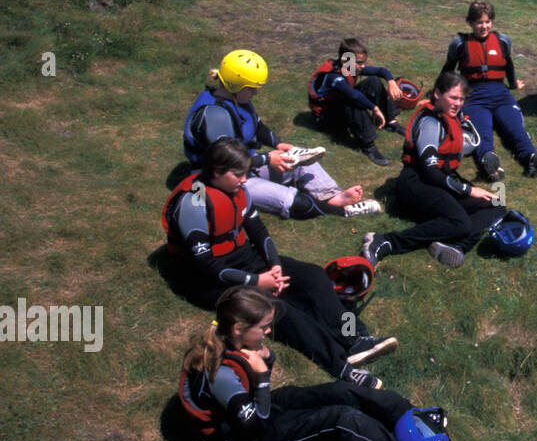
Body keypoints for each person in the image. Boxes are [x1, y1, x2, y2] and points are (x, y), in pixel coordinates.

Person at [180, 286, 455, 441]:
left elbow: (253, 398)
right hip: (240, 440)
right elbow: (256, 426)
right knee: (340, 419)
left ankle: (410, 418)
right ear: (239, 328)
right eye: (263, 327)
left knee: (343, 391)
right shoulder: (221, 374)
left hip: (252, 412)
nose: (267, 332)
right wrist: (262, 376)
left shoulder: (233, 339)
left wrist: (266, 361)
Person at [163, 138, 395, 387]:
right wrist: (257, 282)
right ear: (217, 172)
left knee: (314, 276)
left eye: (245, 174)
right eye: (238, 175)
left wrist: (274, 266)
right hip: (208, 279)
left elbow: (259, 232)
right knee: (279, 309)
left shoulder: (237, 189)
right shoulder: (195, 200)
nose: (244, 180)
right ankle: (341, 365)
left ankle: (353, 337)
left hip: (243, 258)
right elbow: (206, 265)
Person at [183, 49, 380, 220]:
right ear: (237, 87)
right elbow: (227, 161)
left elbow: (257, 125)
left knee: (303, 161)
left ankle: (335, 197)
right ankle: (339, 211)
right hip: (220, 180)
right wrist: (267, 159)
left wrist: (277, 145)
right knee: (290, 200)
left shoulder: (236, 99)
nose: (256, 93)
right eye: (252, 89)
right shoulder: (214, 115)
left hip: (246, 165)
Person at [361, 71, 507, 269]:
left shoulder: (453, 117)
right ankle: (385, 241)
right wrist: (468, 190)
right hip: (416, 183)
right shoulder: (430, 122)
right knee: (460, 222)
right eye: (453, 97)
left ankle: (453, 246)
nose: (457, 103)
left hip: (440, 180)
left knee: (496, 204)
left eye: (462, 99)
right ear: (437, 94)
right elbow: (430, 171)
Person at [439, 1, 537, 181]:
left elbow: (509, 65)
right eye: (479, 22)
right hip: (474, 95)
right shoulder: (459, 44)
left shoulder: (502, 41)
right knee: (482, 132)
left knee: (515, 130)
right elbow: (448, 70)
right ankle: (489, 162)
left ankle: (531, 158)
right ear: (470, 23)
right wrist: (439, 94)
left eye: (488, 22)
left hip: (501, 93)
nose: (484, 26)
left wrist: (513, 84)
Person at [307, 37, 404, 166]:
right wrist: (374, 108)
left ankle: (390, 122)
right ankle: (367, 144)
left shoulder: (348, 67)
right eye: (359, 63)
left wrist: (391, 82)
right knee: (351, 100)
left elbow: (381, 71)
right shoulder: (333, 76)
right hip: (327, 118)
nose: (362, 66)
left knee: (373, 81)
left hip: (339, 104)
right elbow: (354, 95)